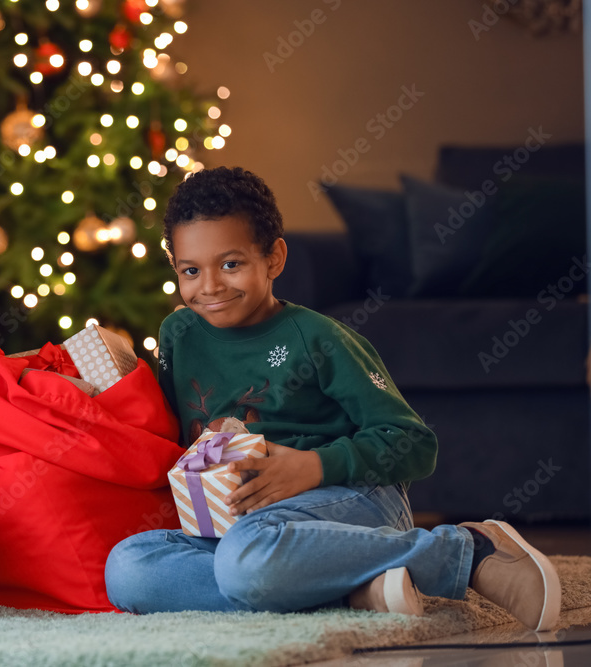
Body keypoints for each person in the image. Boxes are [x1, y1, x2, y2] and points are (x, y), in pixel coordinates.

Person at [104, 167, 560, 631]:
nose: (210, 287)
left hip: (349, 499)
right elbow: (165, 427)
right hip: (245, 523)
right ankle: (353, 588)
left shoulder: (320, 339)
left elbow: (415, 443)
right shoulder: (179, 335)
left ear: (275, 258)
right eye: (191, 271)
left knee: (246, 561)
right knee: (128, 568)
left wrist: (313, 467)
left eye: (231, 264)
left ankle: (464, 549)